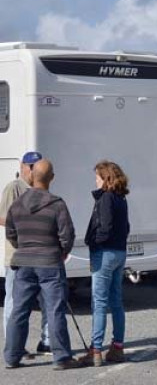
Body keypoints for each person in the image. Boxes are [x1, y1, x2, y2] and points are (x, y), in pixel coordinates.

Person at [3, 159, 82, 370]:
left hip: (24, 262)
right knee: (55, 309)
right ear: (52, 178)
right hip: (49, 262)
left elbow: (10, 231)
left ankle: (11, 357)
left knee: (19, 309)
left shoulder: (18, 204)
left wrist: (23, 246)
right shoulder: (56, 204)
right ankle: (62, 358)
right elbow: (68, 234)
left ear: (31, 176)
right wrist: (63, 251)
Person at [81, 161, 131, 366]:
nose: (95, 179)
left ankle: (95, 350)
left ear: (106, 177)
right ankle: (117, 347)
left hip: (105, 252)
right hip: (120, 252)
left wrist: (93, 243)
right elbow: (126, 227)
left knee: (99, 302)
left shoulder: (106, 198)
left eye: (98, 176)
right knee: (116, 301)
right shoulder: (121, 198)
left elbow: (105, 227)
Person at [1, 151, 50, 356]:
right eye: (30, 166)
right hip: (17, 253)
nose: (32, 170)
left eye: (35, 165)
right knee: (15, 301)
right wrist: (25, 226)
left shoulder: (41, 188)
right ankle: (14, 346)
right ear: (23, 167)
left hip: (39, 253)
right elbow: (3, 217)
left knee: (46, 299)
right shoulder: (15, 187)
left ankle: (46, 341)